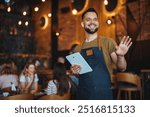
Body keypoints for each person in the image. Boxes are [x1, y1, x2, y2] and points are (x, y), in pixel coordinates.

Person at [71, 8, 132, 100]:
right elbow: (78, 73)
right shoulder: (77, 49)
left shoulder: (108, 42)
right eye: (88, 19)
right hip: (83, 94)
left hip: (103, 94)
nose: (92, 22)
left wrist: (121, 56)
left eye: (95, 19)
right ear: (82, 24)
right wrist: (74, 71)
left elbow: (122, 68)